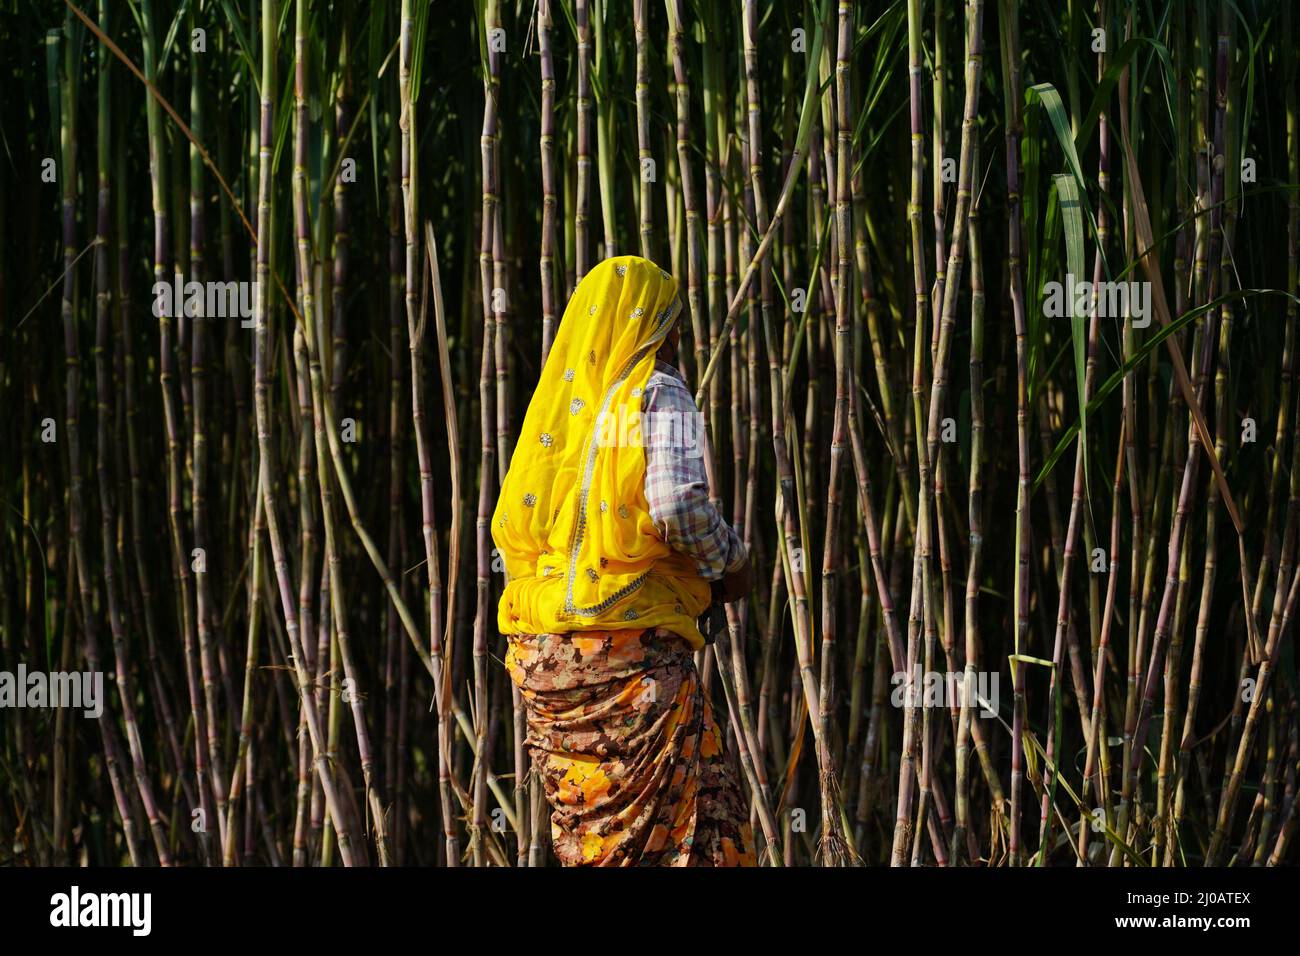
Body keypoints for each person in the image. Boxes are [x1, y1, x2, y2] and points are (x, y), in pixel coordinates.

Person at [491, 255, 756, 866]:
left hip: (546, 659)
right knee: (690, 832)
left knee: (598, 847)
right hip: (630, 660)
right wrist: (731, 563)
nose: (677, 337)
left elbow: (517, 531)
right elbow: (677, 506)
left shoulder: (561, 413)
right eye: (671, 321)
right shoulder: (659, 392)